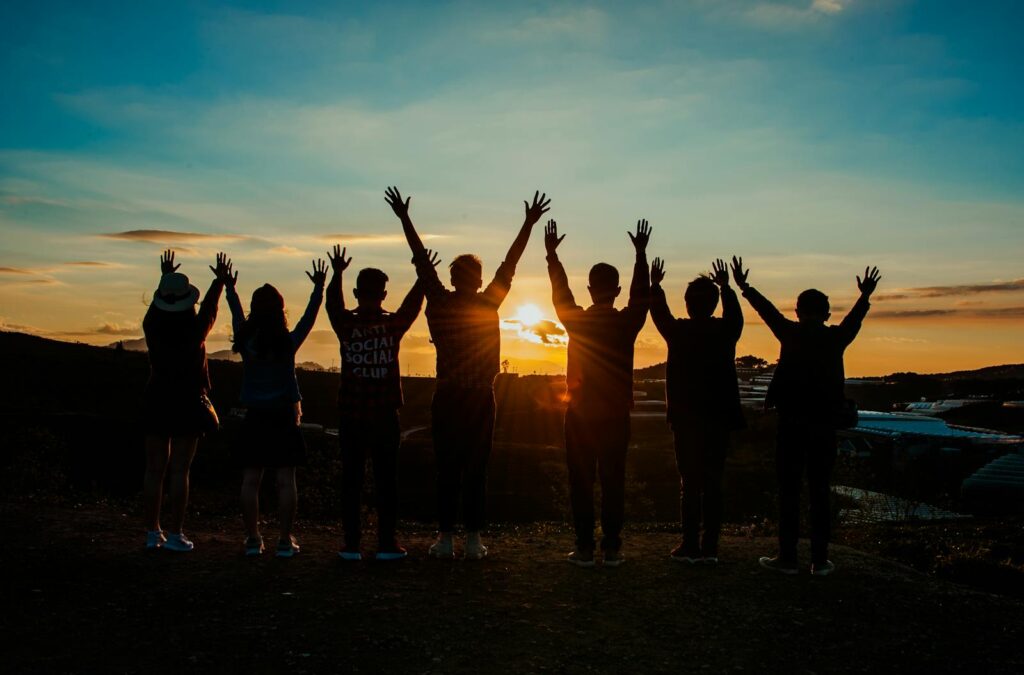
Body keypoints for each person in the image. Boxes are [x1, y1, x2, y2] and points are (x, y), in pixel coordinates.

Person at [386, 186, 550, 560]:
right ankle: (473, 539)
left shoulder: (440, 302)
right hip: (478, 397)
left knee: (447, 468)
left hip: (448, 396)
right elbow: (510, 263)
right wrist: (527, 223)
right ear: (477, 279)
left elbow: (420, 260)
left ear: (454, 277)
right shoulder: (488, 302)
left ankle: (445, 538)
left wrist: (404, 218)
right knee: (477, 469)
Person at [733, 257, 881, 576]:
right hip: (824, 426)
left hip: (790, 424)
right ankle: (819, 559)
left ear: (797, 311)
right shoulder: (835, 338)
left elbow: (767, 311)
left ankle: (787, 557)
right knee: (820, 491)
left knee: (788, 490)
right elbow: (854, 319)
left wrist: (745, 287)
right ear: (827, 313)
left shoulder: (790, 333)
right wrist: (864, 295)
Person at [545, 218, 651, 567]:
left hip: (579, 413)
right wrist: (640, 256)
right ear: (616, 290)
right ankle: (612, 548)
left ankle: (585, 547)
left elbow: (561, 295)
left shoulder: (577, 320)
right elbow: (641, 298)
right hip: (616, 414)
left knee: (581, 482)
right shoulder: (626, 323)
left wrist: (552, 258)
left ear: (589, 289)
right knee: (613, 480)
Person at [325, 244, 435, 562]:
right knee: (387, 480)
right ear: (384, 294)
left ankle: (351, 544)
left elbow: (333, 304)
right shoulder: (392, 325)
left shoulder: (346, 325)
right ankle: (387, 543)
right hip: (385, 415)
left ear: (357, 292)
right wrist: (421, 277)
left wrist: (336, 274)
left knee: (352, 480)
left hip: (351, 414)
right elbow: (413, 307)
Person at [226, 258, 327, 558]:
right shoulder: (287, 342)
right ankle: (284, 540)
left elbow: (235, 313)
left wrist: (230, 287)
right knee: (286, 481)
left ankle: (253, 539)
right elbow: (309, 318)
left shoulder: (246, 341)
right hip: (284, 417)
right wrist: (318, 289)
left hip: (255, 416)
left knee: (251, 480)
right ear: (280, 310)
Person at [650, 258, 744, 565]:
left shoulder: (679, 332)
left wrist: (655, 285)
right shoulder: (725, 332)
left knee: (689, 483)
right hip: (719, 418)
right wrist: (727, 287)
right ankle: (710, 547)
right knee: (713, 482)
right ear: (714, 304)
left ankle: (689, 545)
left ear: (688, 304)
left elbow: (659, 314)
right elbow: (736, 318)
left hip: (686, 419)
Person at [141, 250, 231, 552]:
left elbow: (161, 306)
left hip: (156, 396)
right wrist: (219, 281)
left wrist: (164, 277)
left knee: (154, 468)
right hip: (188, 401)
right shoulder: (195, 330)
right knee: (180, 469)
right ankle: (176, 532)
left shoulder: (151, 325)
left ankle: (152, 531)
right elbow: (209, 309)